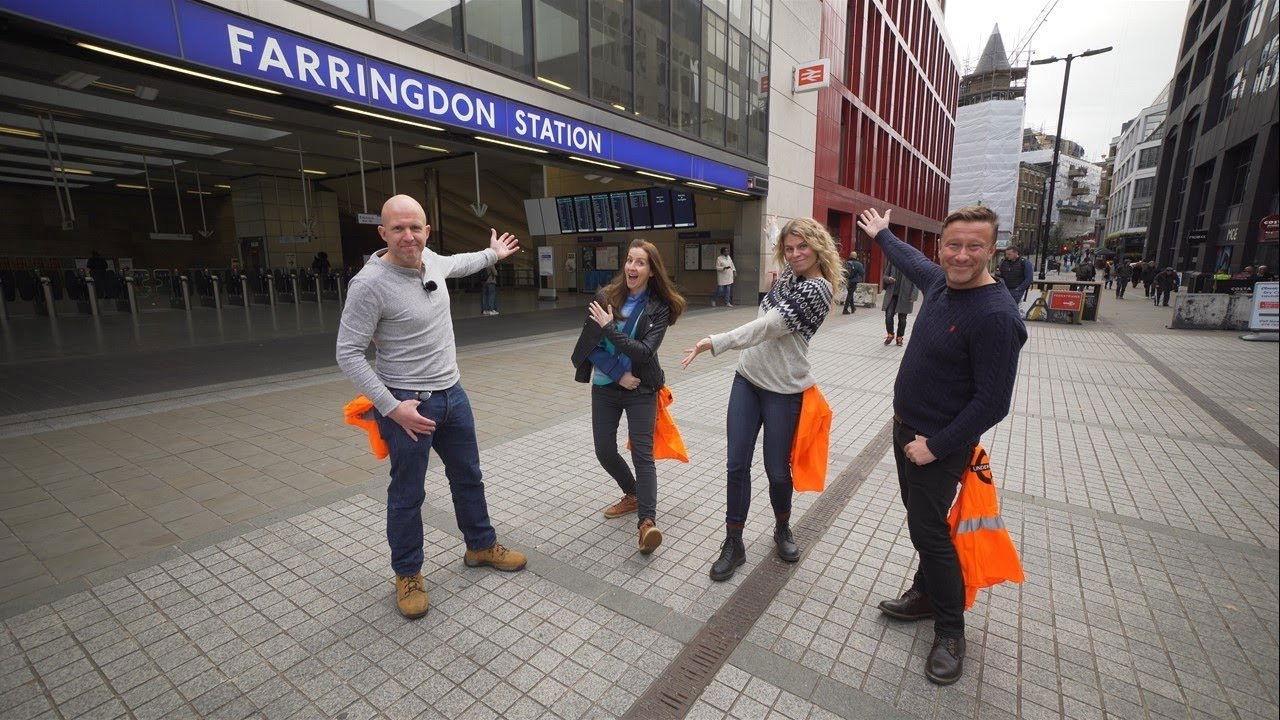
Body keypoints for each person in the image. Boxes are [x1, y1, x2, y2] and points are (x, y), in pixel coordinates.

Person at [856, 204, 1026, 686]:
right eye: (954, 245)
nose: (962, 255)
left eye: (975, 246)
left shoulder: (996, 316)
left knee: (929, 533)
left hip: (938, 444)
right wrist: (883, 235)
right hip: (906, 429)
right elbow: (912, 262)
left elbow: (993, 401)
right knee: (921, 524)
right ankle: (926, 594)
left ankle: (951, 631)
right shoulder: (940, 283)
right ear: (942, 247)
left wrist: (935, 445)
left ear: (992, 250)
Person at [335, 194, 526, 621]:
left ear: (427, 231)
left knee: (469, 476)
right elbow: (348, 353)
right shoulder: (368, 284)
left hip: (453, 395)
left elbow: (461, 262)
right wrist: (390, 408)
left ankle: (479, 545)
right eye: (398, 228)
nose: (408, 236)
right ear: (382, 233)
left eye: (415, 227)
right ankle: (408, 573)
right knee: (408, 493)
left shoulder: (433, 261)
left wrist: (492, 253)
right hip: (406, 405)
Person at [681, 217, 840, 582]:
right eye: (790, 248)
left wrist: (716, 341)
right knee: (736, 465)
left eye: (803, 247)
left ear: (818, 247)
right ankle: (733, 541)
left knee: (776, 470)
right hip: (747, 381)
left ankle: (782, 527)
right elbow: (781, 269)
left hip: (784, 389)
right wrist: (774, 236)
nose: (796, 254)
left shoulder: (817, 290)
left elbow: (768, 326)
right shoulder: (788, 276)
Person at [571, 239, 686, 554]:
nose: (633, 267)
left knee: (643, 455)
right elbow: (586, 346)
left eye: (640, 263)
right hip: (608, 387)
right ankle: (632, 493)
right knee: (604, 449)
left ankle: (647, 523)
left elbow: (644, 351)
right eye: (630, 261)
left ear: (651, 271)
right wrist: (618, 373)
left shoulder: (657, 308)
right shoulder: (606, 297)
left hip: (642, 390)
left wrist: (610, 329)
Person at [882, 260, 918, 346]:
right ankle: (890, 334)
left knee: (902, 319)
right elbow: (885, 276)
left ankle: (900, 337)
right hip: (892, 295)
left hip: (905, 296)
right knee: (888, 316)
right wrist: (889, 279)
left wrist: (913, 295)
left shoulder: (911, 265)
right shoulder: (892, 263)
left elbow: (916, 281)